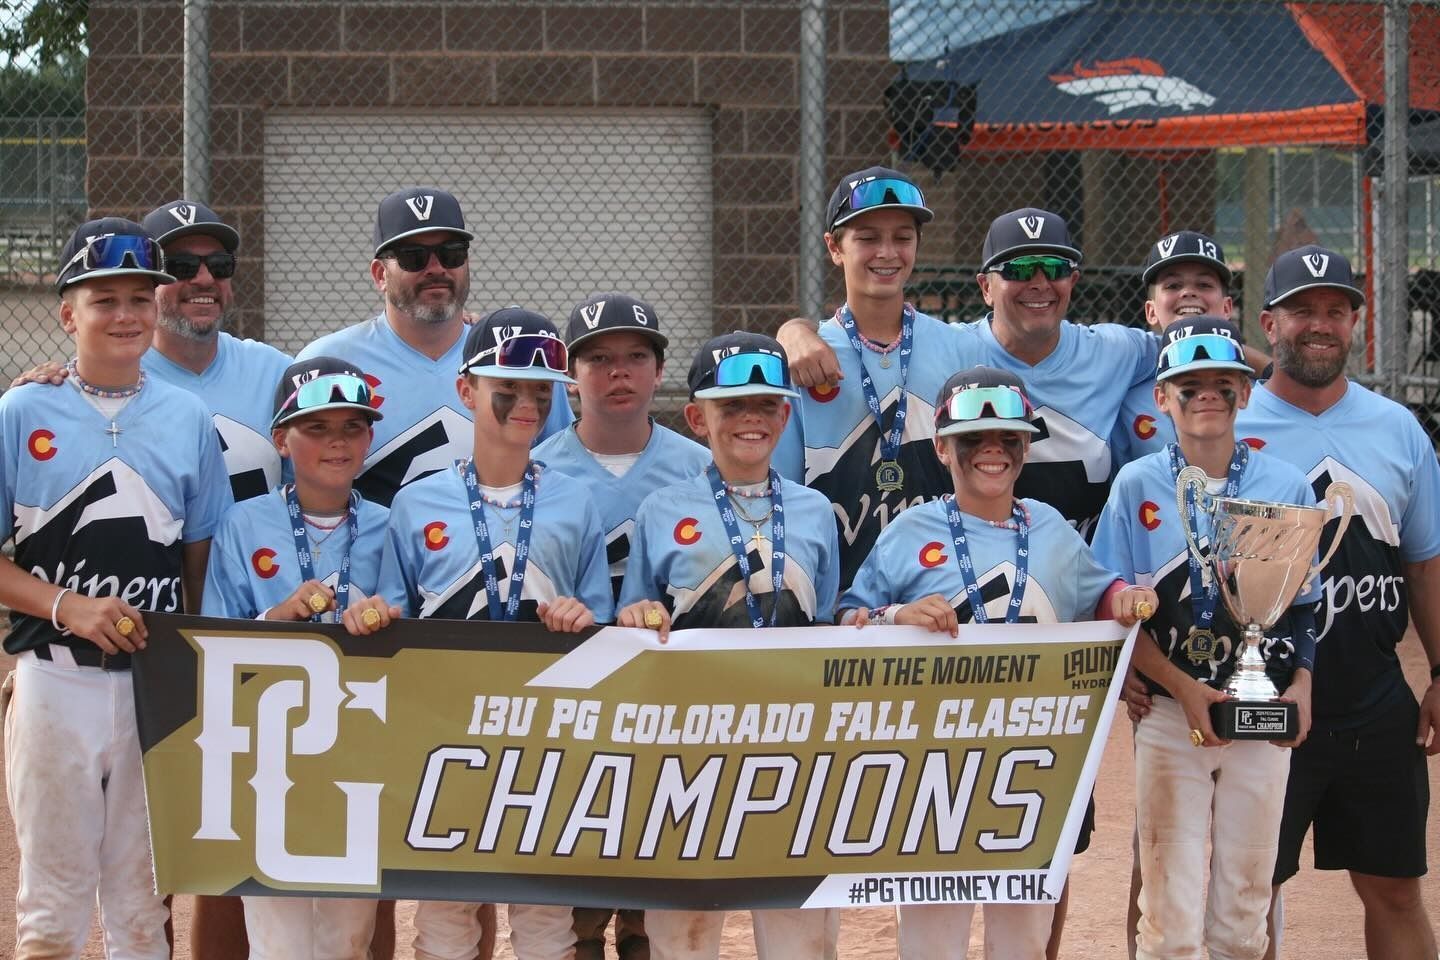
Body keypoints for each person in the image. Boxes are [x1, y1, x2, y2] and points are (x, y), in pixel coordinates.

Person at [838, 365, 1157, 960]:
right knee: (932, 938)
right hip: (932, 767)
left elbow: (1101, 590)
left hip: (1033, 766)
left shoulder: (1053, 528)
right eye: (972, 440)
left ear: (1027, 445)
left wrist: (1128, 600)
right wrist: (894, 617)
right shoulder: (910, 529)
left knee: (1024, 938)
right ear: (941, 447)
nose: (993, 452)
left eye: (1009, 439)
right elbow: (849, 621)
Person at [0, 218, 228, 957]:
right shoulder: (21, 413)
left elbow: (199, 562)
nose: (126, 315)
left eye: (140, 297)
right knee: (52, 909)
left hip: (150, 684)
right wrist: (68, 605)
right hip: (53, 679)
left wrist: (194, 668)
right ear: (67, 314)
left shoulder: (187, 418)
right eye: (104, 300)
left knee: (141, 906)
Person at [376, 307, 612, 960]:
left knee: (545, 919)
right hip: (443, 739)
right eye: (507, 387)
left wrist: (581, 621)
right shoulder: (417, 503)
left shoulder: (575, 500)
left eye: (542, 391)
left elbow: (599, 619)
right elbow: (391, 623)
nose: (527, 403)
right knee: (446, 920)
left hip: (547, 736)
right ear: (465, 390)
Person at [1232, 246, 1440, 959]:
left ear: (1356, 321)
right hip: (1267, 697)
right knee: (1248, 891)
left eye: (1334, 310)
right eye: (1300, 311)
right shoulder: (1229, 426)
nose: (1318, 325)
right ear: (1270, 321)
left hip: (1376, 698)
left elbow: (1424, 564)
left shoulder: (1397, 429)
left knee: (1394, 888)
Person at [1093, 317, 1318, 960]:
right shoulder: (1136, 487)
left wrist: (1301, 683)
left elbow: (1301, 608)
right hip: (1171, 713)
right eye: (1188, 386)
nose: (1206, 396)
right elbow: (1116, 610)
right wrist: (1181, 688)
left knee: (1245, 908)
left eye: (1223, 383)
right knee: (1169, 914)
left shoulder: (1285, 487)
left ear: (1246, 393)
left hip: (1263, 706)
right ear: (1162, 398)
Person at [617, 331, 841, 960]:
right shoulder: (660, 510)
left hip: (795, 743)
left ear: (786, 415)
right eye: (730, 406)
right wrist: (636, 614)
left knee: (799, 927)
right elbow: (637, 615)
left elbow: (824, 616)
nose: (750, 419)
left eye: (766, 405)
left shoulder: (816, 510)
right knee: (683, 929)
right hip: (690, 745)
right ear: (696, 417)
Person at [201, 356, 398, 960]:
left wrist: (386, 618)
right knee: (276, 934)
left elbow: (414, 626)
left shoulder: (392, 525)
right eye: (317, 428)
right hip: (268, 755)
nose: (336, 442)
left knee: (347, 933)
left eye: (352, 427)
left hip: (360, 753)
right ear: (282, 440)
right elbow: (212, 637)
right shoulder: (243, 523)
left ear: (370, 438)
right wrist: (278, 617)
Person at [532, 291, 708, 959]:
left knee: (651, 900)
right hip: (571, 699)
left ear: (658, 371)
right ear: (571, 377)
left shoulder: (699, 465)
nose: (618, 373)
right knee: (576, 889)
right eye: (598, 359)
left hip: (666, 701)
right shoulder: (539, 468)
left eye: (636, 357)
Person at [773, 166, 983, 587]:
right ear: (834, 247)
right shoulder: (804, 359)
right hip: (837, 597)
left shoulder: (961, 348)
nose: (887, 252)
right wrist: (791, 335)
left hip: (944, 592)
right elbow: (781, 493)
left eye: (903, 237)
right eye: (867, 238)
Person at [297, 187, 572, 507]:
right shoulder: (329, 363)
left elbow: (558, 468)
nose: (436, 268)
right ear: (379, 274)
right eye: (413, 257)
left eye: (451, 253)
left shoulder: (512, 358)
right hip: (368, 555)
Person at [11, 199, 293, 503]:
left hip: (258, 552)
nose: (205, 279)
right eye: (181, 266)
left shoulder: (276, 372)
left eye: (219, 265)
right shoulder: (114, 385)